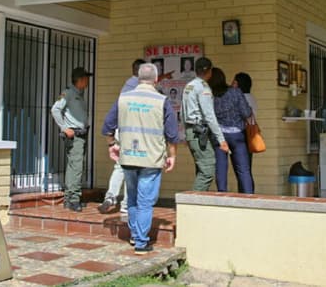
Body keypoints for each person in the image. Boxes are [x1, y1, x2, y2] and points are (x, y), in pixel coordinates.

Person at [102, 63, 179, 255]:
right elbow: (172, 133)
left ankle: (135, 235)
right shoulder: (161, 101)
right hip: (151, 159)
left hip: (128, 157)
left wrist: (112, 145)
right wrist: (172, 156)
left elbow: (108, 125)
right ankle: (141, 243)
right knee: (145, 201)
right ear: (155, 79)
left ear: (138, 78)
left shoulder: (123, 98)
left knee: (133, 198)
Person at [98, 59, 145, 214]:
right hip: (133, 133)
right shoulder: (138, 88)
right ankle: (126, 204)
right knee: (132, 167)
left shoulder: (128, 85)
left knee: (120, 166)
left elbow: (113, 115)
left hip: (120, 130)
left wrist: (111, 139)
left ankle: (111, 196)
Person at [182, 57, 229, 191]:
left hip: (192, 131)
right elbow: (209, 116)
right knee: (208, 168)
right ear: (209, 71)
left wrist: (185, 132)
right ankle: (193, 203)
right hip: (198, 131)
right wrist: (221, 140)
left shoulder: (189, 86)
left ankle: (198, 203)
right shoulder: (203, 88)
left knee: (202, 168)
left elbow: (183, 112)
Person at [50, 66, 93, 212]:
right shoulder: (68, 93)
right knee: (77, 167)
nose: (88, 81)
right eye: (86, 78)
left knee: (73, 166)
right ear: (80, 80)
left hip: (81, 133)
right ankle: (74, 199)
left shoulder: (79, 94)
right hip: (75, 135)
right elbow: (55, 109)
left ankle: (69, 198)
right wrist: (64, 128)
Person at [211, 68, 254, 193]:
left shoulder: (210, 95)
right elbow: (246, 112)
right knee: (244, 170)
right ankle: (248, 198)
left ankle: (222, 196)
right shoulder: (235, 92)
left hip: (220, 136)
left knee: (221, 168)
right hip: (237, 134)